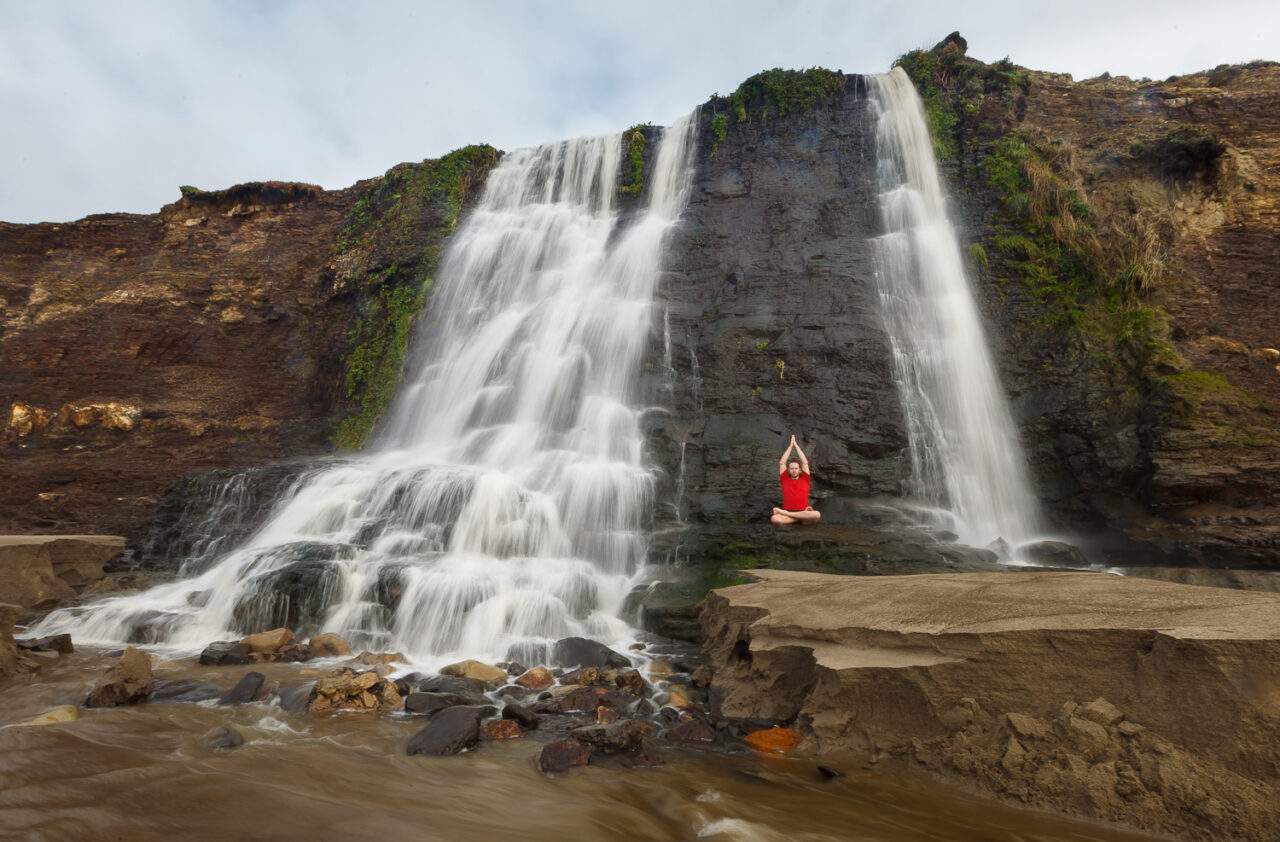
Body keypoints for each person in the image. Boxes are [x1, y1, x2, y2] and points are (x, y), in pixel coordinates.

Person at [772, 435, 821, 524]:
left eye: (796, 468)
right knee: (774, 519)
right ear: (789, 470)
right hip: (790, 512)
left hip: (799, 512)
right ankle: (801, 518)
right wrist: (790, 447)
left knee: (817, 514)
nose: (794, 470)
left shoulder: (805, 479)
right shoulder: (785, 479)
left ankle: (794, 518)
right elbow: (782, 463)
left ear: (799, 470)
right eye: (792, 468)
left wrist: (796, 446)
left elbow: (805, 462)